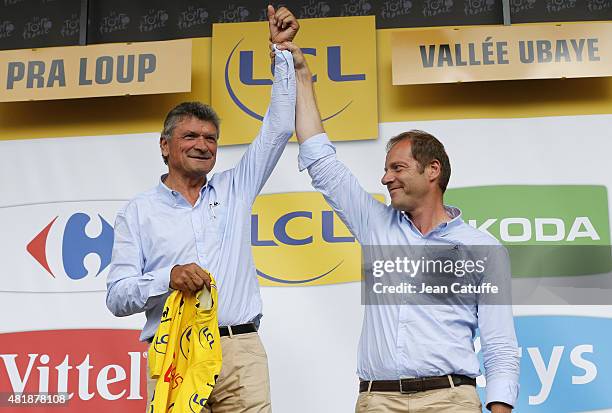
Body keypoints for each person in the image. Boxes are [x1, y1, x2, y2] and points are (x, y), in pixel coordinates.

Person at [278, 41, 520, 412]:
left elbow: (500, 344)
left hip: (451, 400)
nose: (385, 178)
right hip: (378, 399)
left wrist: (501, 407)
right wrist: (301, 76)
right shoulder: (376, 225)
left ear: (433, 170)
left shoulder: (482, 248)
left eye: (398, 168)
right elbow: (321, 161)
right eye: (387, 168)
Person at [106, 6, 299, 412]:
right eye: (190, 135)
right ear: (165, 146)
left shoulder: (236, 187)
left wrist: (281, 53)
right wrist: (168, 278)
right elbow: (118, 297)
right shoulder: (137, 212)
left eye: (211, 138)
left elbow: (280, 127)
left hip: (239, 352)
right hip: (173, 351)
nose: (202, 144)